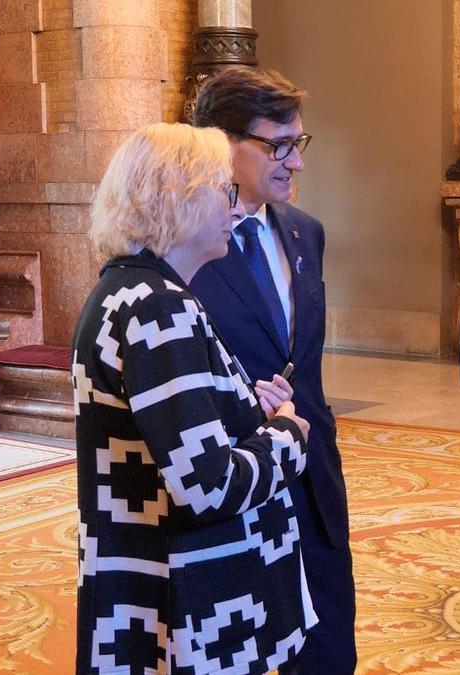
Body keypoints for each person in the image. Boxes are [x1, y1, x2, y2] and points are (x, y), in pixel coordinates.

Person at [72, 122, 316, 673]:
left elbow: (167, 436)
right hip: (194, 610)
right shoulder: (160, 308)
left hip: (158, 587)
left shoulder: (126, 291)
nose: (235, 209)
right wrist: (287, 433)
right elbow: (208, 486)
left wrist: (244, 407)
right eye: (224, 192)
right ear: (179, 201)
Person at [188, 67, 356, 674]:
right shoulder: (182, 248)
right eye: (278, 146)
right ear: (221, 143)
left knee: (330, 652)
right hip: (237, 489)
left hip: (313, 484)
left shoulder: (305, 232)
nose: (296, 162)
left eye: (299, 144)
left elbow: (303, 366)